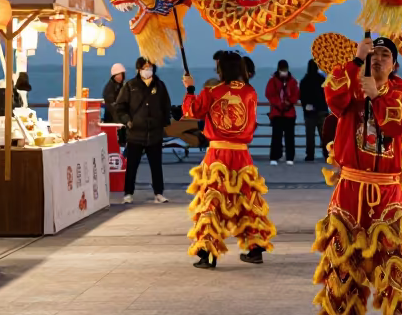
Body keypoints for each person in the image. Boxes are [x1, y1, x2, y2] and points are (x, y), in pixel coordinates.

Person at [312, 34, 402, 315]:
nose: (379, 58)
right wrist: (355, 61)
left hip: (387, 191)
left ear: (394, 65)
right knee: (342, 261)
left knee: (398, 260)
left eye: (386, 55)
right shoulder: (350, 79)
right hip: (350, 187)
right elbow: (334, 100)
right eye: (374, 53)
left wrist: (378, 96)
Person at [182, 51, 276, 268]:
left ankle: (208, 252)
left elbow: (192, 111)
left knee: (212, 201)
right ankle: (255, 248)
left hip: (217, 155)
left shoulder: (212, 91)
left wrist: (189, 89)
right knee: (248, 200)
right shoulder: (250, 92)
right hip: (242, 154)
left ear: (221, 69)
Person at [116, 57, 172, 204]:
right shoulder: (130, 86)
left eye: (150, 67)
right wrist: (128, 121)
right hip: (135, 133)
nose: (148, 70)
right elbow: (120, 107)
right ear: (138, 69)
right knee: (132, 166)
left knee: (156, 166)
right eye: (145, 67)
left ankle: (159, 193)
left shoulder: (159, 85)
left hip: (155, 133)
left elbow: (166, 105)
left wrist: (164, 122)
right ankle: (128, 193)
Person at [266, 60, 299, 165]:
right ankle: (274, 157)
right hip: (277, 113)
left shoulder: (293, 81)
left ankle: (290, 157)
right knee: (276, 136)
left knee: (290, 137)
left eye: (285, 70)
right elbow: (269, 94)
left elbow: (296, 94)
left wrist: (289, 102)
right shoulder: (272, 81)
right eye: (282, 70)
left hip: (289, 113)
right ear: (278, 70)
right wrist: (279, 103)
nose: (283, 72)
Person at [300, 59, 328, 161]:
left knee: (310, 135)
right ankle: (327, 154)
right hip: (322, 110)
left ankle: (310, 155)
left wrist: (305, 106)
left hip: (309, 112)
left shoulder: (304, 81)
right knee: (324, 135)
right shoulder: (322, 79)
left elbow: (302, 97)